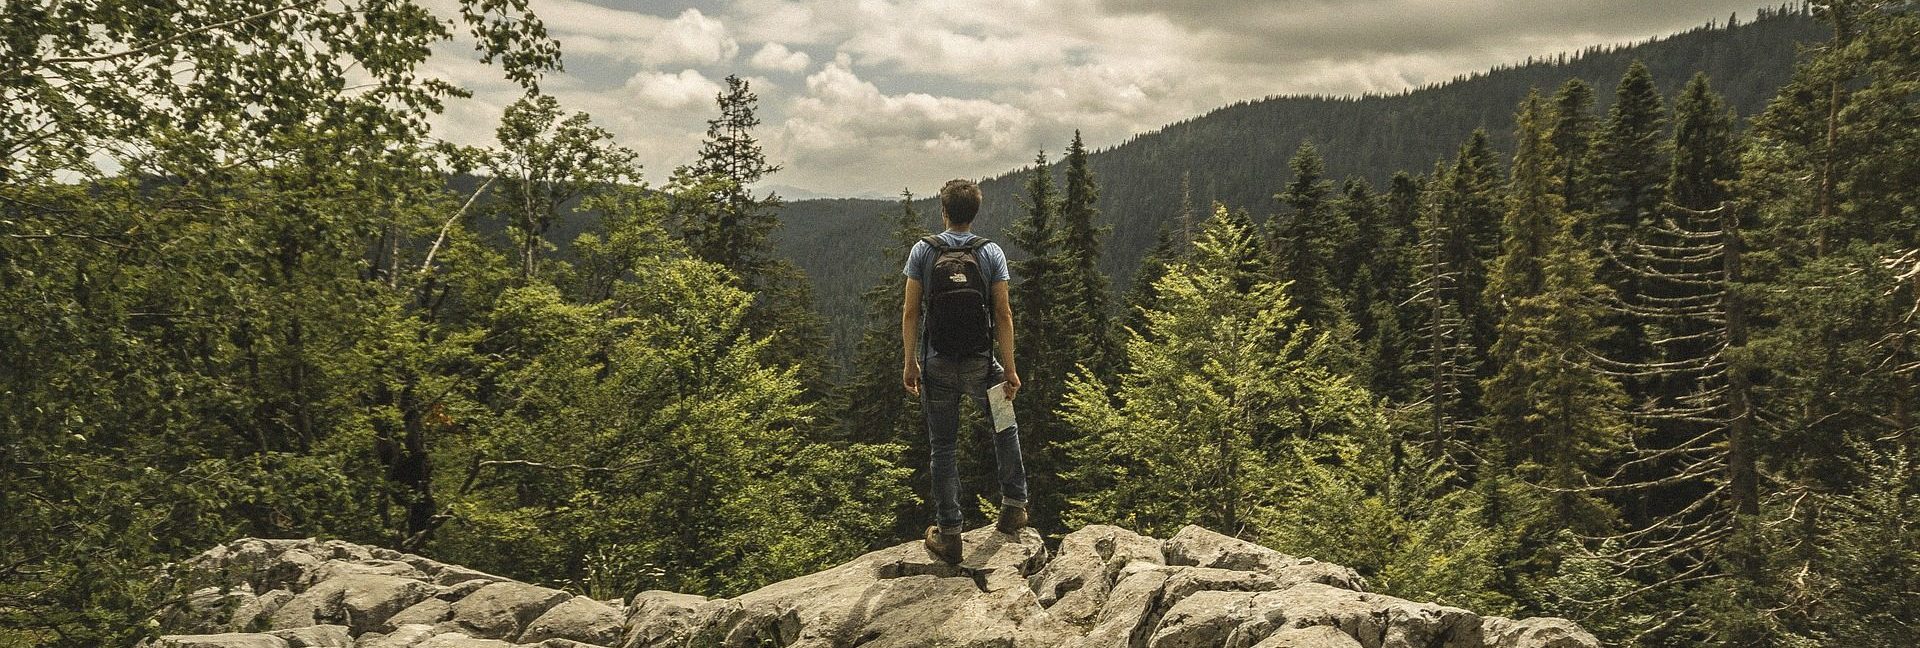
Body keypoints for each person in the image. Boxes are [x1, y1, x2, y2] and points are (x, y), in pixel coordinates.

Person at [902, 178, 1029, 564]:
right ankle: (1013, 508)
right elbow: (1003, 314)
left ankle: (950, 533)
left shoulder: (923, 251)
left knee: (943, 446)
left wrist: (911, 363)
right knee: (1005, 427)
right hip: (981, 364)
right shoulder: (990, 253)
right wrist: (1009, 370)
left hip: (938, 365)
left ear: (943, 211)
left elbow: (910, 312)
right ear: (974, 213)